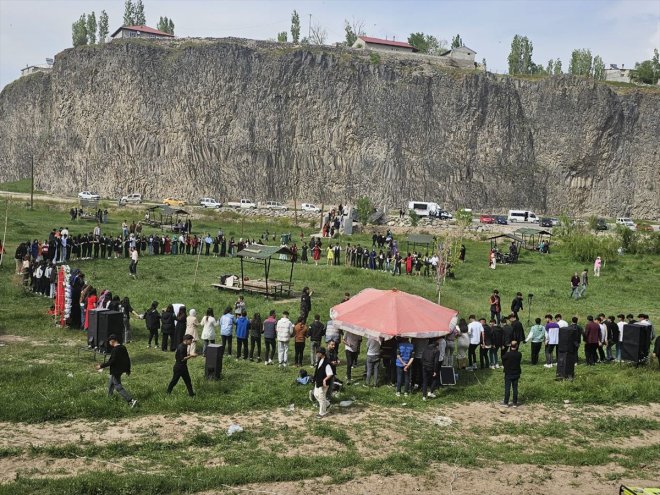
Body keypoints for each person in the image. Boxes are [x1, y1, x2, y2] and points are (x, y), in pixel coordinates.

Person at [96, 335, 137, 408]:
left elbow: (111, 361)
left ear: (112, 341)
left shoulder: (115, 350)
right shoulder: (123, 347)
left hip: (116, 371)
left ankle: (130, 400)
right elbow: (127, 359)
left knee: (117, 386)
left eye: (109, 341)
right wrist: (128, 369)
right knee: (111, 384)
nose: (109, 343)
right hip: (121, 370)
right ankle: (109, 399)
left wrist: (101, 366)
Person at [313, 348, 334, 418]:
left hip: (323, 383)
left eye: (318, 353)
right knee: (316, 395)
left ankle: (322, 413)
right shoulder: (320, 360)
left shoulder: (327, 363)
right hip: (318, 381)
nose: (317, 354)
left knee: (321, 397)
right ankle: (327, 404)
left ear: (321, 353)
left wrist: (325, 380)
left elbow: (330, 374)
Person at [501, 341, 522, 408]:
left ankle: (506, 402)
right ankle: (515, 403)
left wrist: (505, 365)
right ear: (517, 346)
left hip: (508, 373)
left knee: (507, 388)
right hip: (516, 373)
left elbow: (503, 359)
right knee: (515, 388)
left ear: (510, 346)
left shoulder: (507, 354)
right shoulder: (519, 354)